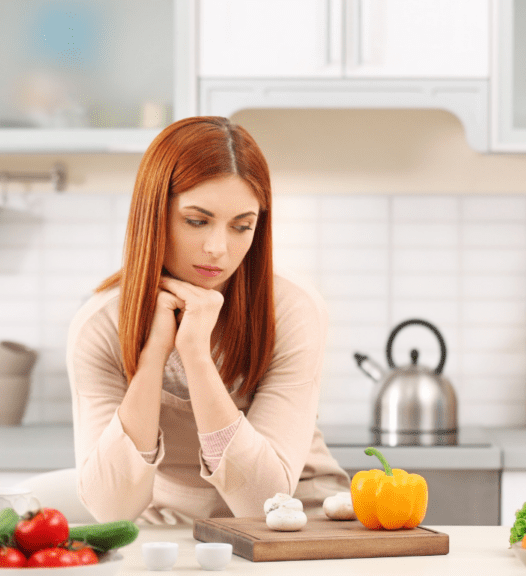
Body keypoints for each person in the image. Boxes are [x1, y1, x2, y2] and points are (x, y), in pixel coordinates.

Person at [67, 116, 349, 524]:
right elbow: (113, 508)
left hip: (299, 520)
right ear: (154, 214)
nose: (218, 248)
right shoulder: (101, 325)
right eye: (197, 221)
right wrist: (153, 357)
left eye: (242, 226)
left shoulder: (292, 309)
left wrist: (196, 354)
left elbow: (263, 503)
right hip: (172, 526)